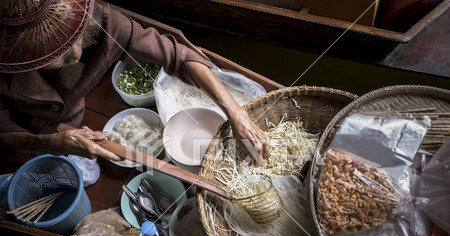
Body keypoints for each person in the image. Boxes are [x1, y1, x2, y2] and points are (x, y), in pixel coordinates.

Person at [0, 0, 270, 173]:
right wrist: (50, 142)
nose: (73, 55)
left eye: (75, 39)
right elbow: (4, 129)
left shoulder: (100, 22)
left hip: (75, 121)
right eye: (54, 55)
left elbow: (177, 55)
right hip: (25, 138)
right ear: (22, 58)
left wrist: (236, 113)